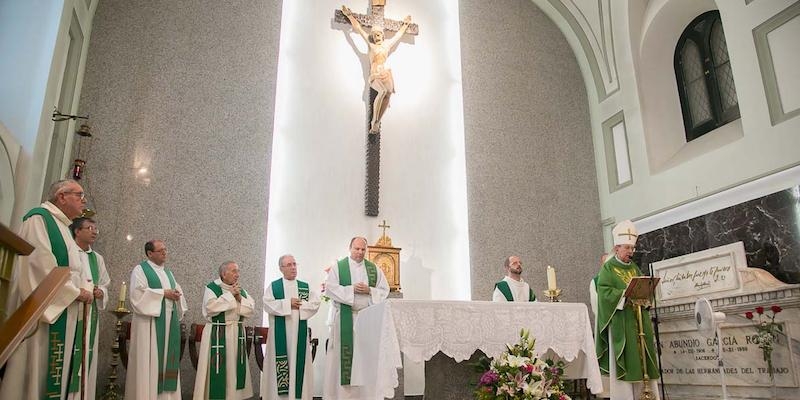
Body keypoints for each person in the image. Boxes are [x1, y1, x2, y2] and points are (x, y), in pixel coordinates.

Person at [0, 179, 93, 400]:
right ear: (62, 197)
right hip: (40, 314)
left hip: (63, 309)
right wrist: (75, 292)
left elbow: (73, 270)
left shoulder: (62, 226)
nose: (84, 201)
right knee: (35, 373)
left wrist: (81, 288)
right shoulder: (39, 219)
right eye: (79, 195)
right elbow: (39, 266)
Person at [595, 220, 660, 400]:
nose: (631, 252)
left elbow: (642, 287)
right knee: (627, 359)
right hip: (622, 321)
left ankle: (646, 395)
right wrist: (624, 294)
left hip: (639, 320)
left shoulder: (634, 267)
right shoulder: (608, 268)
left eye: (632, 248)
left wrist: (647, 293)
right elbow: (604, 293)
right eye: (627, 248)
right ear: (617, 248)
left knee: (644, 359)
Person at [323, 237, 389, 399]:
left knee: (365, 359)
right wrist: (351, 289)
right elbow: (330, 289)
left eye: (363, 249)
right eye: (356, 248)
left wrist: (370, 291)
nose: (360, 252)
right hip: (345, 320)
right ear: (350, 248)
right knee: (343, 359)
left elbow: (384, 290)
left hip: (366, 321)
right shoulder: (339, 268)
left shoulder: (373, 269)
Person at [125, 240, 188, 400]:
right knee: (150, 359)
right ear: (150, 253)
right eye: (160, 250)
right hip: (150, 324)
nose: (165, 253)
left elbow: (176, 290)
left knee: (166, 359)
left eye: (165, 249)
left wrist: (177, 295)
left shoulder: (168, 273)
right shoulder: (140, 270)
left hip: (169, 323)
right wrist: (163, 293)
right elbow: (137, 295)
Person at [341, 5, 413, 134]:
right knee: (382, 91)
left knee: (388, 95)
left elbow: (398, 35)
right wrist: (349, 15)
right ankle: (374, 121)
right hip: (375, 74)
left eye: (379, 35)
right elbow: (359, 29)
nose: (377, 37)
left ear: (382, 36)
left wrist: (405, 24)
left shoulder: (387, 46)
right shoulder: (371, 45)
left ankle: (378, 122)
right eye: (375, 35)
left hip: (385, 73)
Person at [193, 261, 255, 400]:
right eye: (234, 271)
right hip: (218, 333)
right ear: (223, 273)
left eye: (238, 271)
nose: (237, 274)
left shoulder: (240, 290)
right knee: (219, 369)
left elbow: (251, 309)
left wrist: (239, 297)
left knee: (234, 369)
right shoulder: (212, 288)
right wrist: (230, 295)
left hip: (236, 333)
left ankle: (234, 397)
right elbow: (210, 308)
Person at [262, 255, 321, 400]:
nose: (293, 267)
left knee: (298, 363)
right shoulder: (274, 287)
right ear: (281, 268)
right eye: (289, 265)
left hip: (299, 334)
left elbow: (315, 303)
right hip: (279, 336)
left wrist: (300, 305)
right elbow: (267, 304)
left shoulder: (304, 287)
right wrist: (288, 303)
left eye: (294, 264)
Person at [67, 217, 111, 400]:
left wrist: (101, 292)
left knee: (86, 355)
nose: (94, 232)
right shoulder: (68, 250)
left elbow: (104, 283)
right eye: (89, 228)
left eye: (95, 229)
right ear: (77, 231)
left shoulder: (97, 258)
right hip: (71, 310)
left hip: (89, 312)